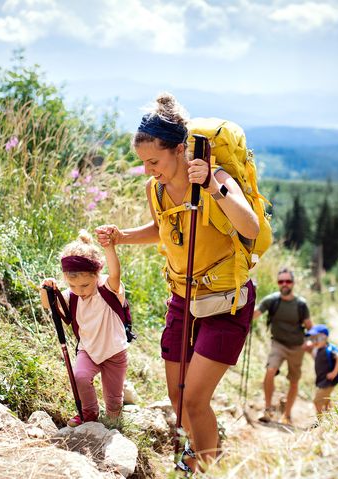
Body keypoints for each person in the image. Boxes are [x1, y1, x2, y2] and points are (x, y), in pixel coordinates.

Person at [96, 92, 259, 473]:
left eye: (154, 160)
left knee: (195, 400)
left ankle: (207, 467)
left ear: (180, 149)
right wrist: (122, 236)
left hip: (225, 302)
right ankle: (202, 455)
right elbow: (162, 228)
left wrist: (216, 190)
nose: (149, 169)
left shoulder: (216, 178)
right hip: (182, 299)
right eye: (143, 163)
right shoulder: (155, 188)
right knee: (177, 396)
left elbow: (249, 225)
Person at [40, 229, 128, 427]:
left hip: (114, 352)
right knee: (80, 377)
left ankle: (114, 421)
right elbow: (48, 305)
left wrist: (109, 247)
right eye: (73, 286)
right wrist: (45, 289)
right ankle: (89, 413)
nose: (80, 291)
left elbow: (115, 272)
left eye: (85, 285)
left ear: (97, 275)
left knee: (113, 397)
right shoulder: (72, 296)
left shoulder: (108, 288)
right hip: (88, 349)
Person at [253, 267, 313, 425]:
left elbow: (310, 327)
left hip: (297, 347)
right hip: (278, 343)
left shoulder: (301, 304)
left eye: (288, 281)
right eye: (281, 281)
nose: (284, 284)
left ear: (293, 283)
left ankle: (287, 415)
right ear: (278, 283)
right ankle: (268, 409)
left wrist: (310, 341)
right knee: (270, 370)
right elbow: (255, 314)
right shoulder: (271, 300)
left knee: (294, 381)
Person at [304, 324, 338, 417]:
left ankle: (321, 421)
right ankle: (332, 417)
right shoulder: (319, 350)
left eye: (316, 338)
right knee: (326, 401)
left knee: (317, 401)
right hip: (323, 380)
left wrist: (334, 372)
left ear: (324, 338)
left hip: (328, 381)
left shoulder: (329, 349)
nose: (314, 341)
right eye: (312, 338)